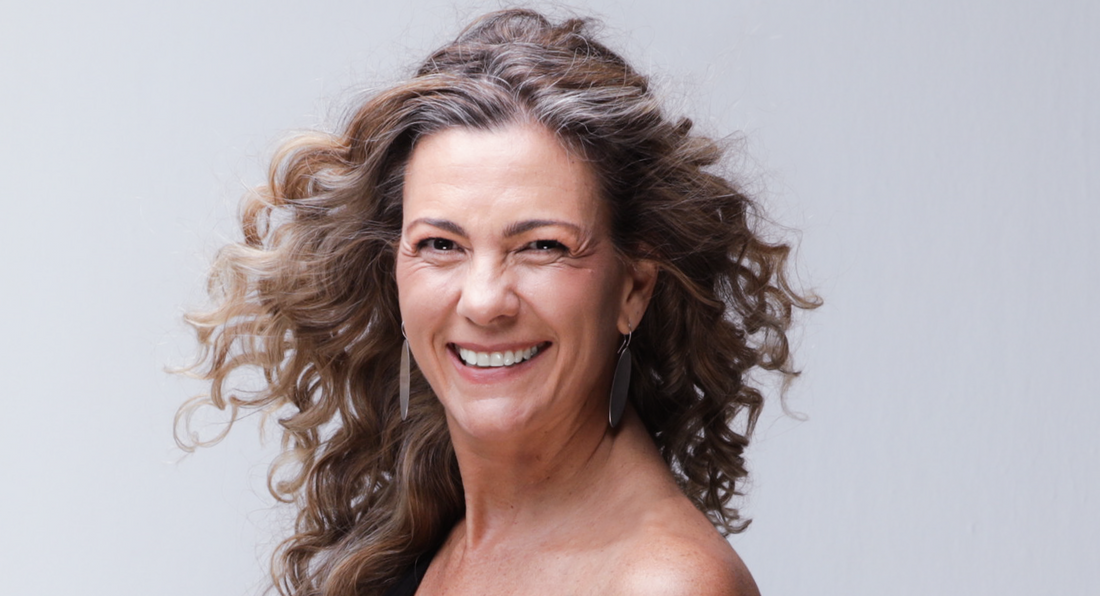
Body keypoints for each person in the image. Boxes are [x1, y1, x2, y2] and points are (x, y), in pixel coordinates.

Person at [178, 8, 817, 596]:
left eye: (541, 246)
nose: (485, 302)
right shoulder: (430, 525)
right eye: (440, 244)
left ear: (632, 288)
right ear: (393, 269)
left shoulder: (662, 585)